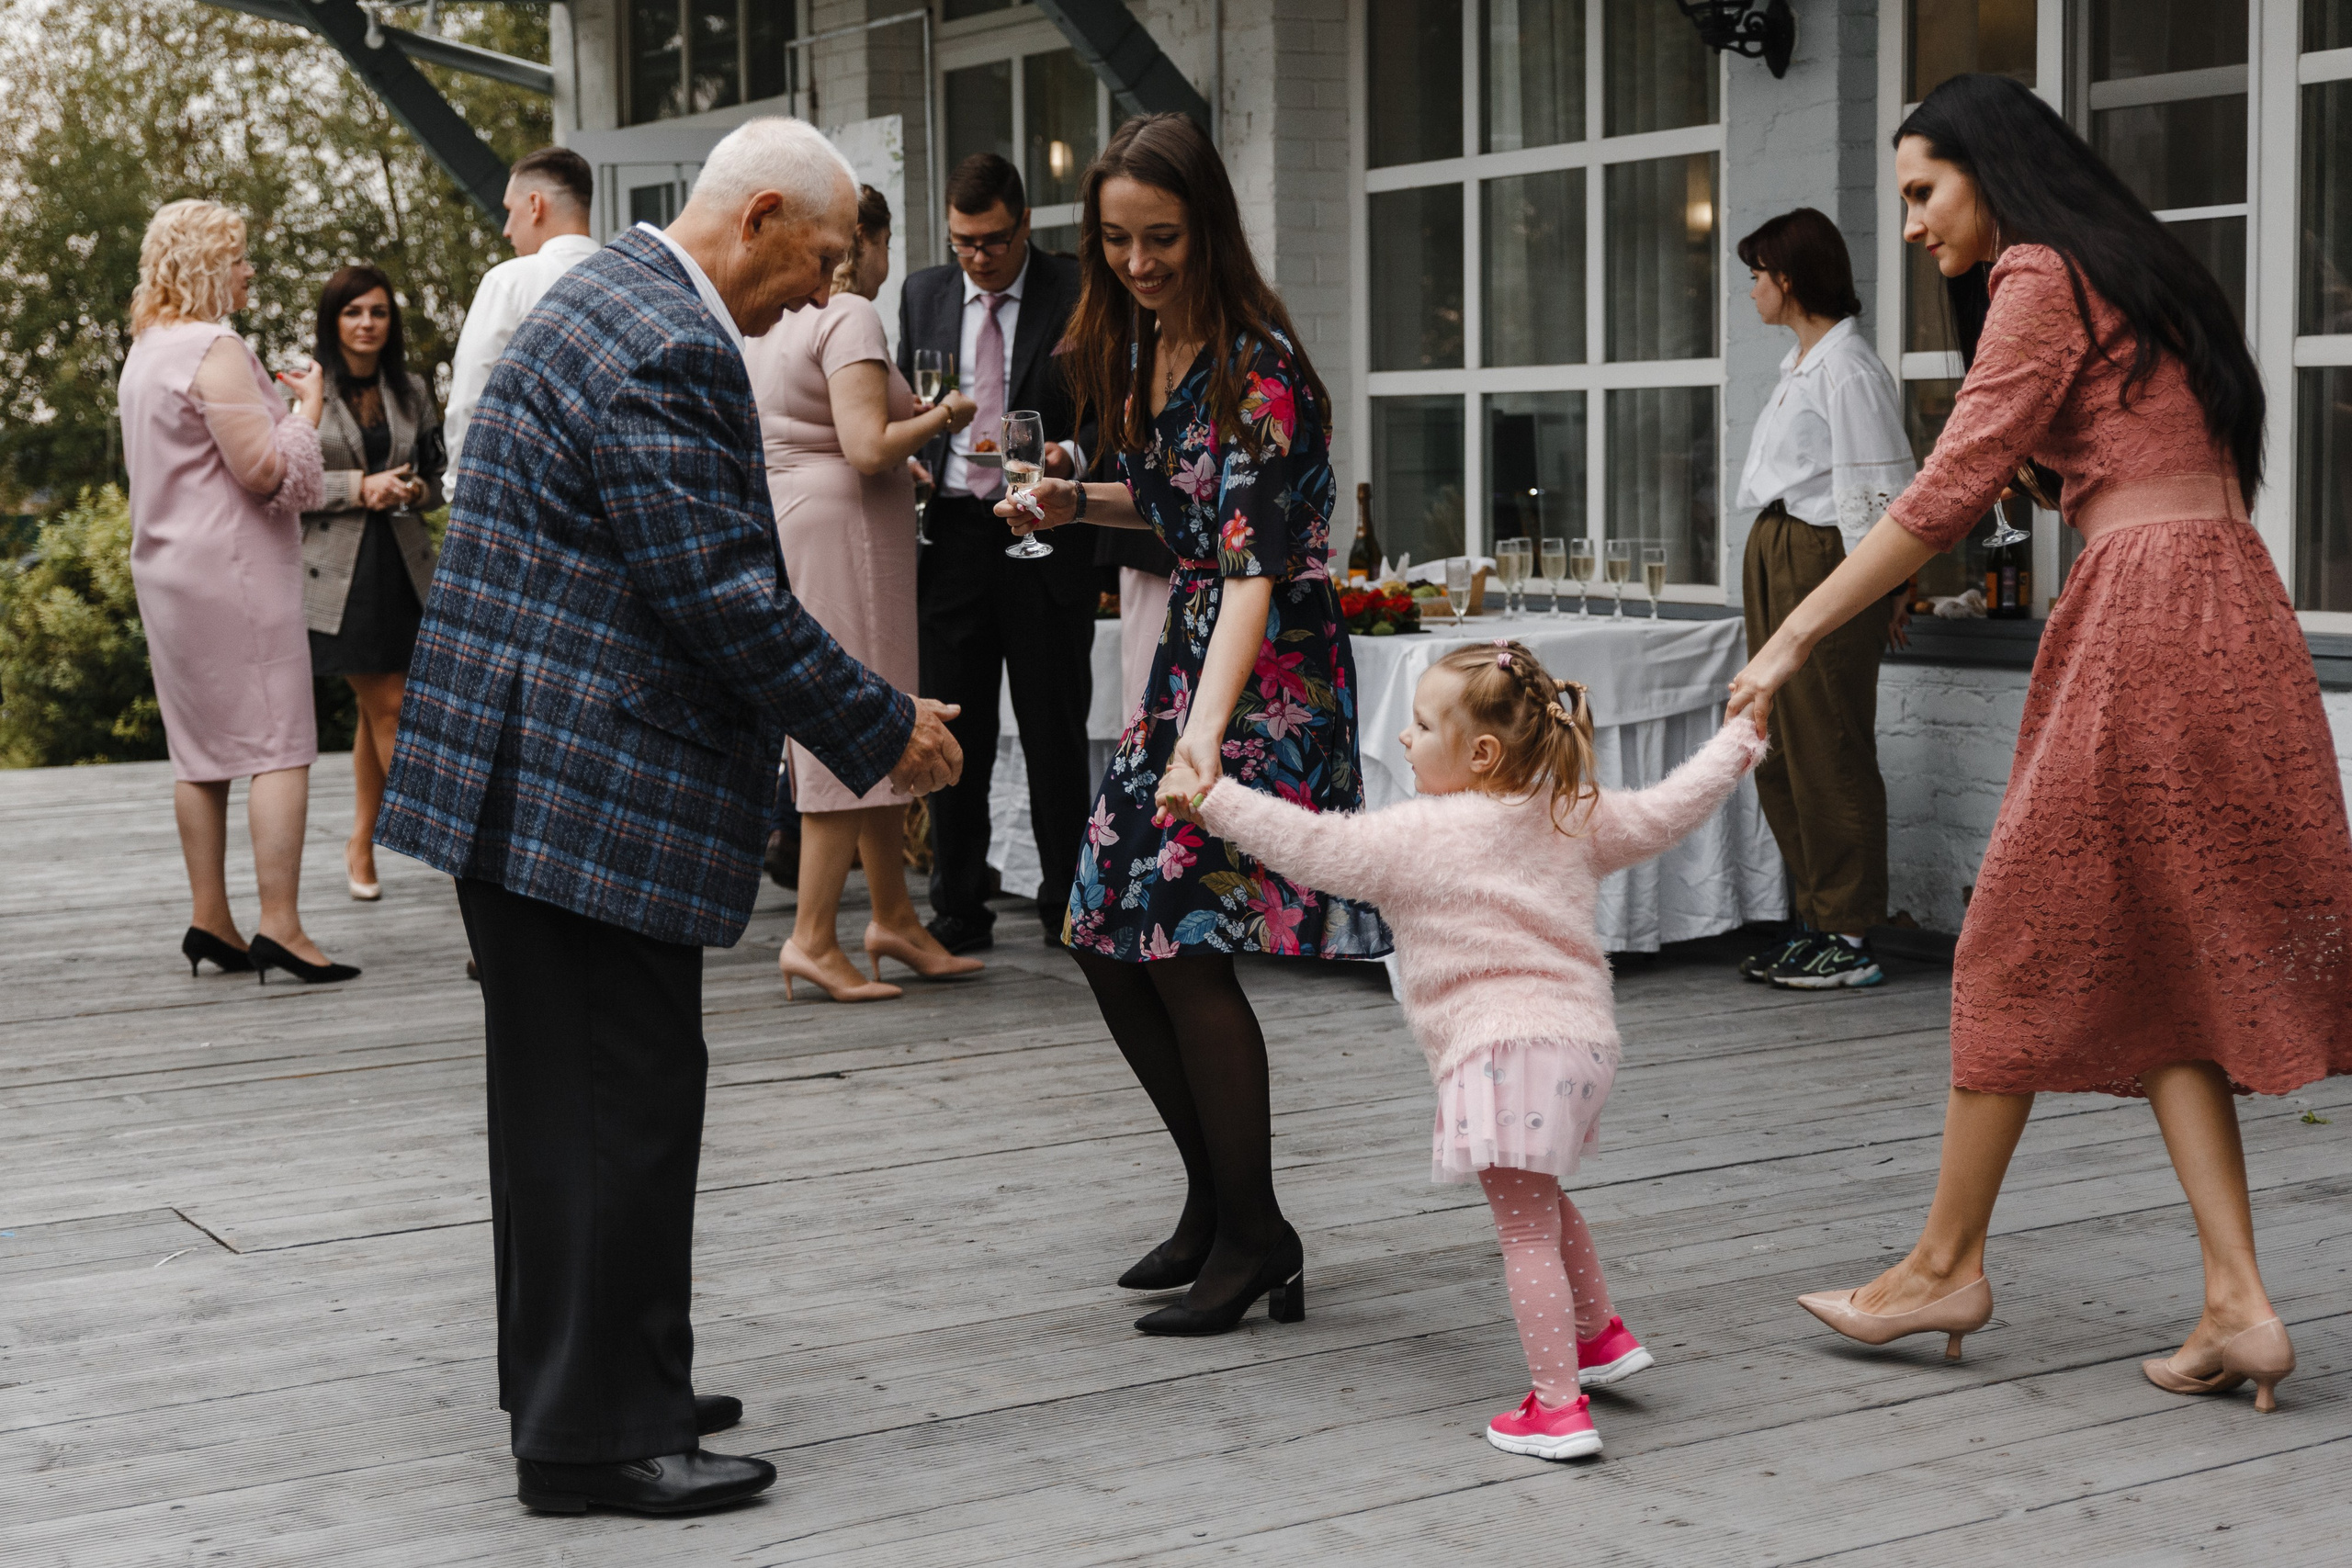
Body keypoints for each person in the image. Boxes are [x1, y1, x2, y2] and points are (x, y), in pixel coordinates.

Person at [1731, 74, 2352, 1413]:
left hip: (2142, 618)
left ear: (1990, 170)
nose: (1909, 226)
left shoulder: (2038, 273)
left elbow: (1940, 494)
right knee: (2161, 949)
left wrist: (1788, 640)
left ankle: (1944, 1263)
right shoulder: (2141, 272)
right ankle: (2237, 1300)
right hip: (2232, 603)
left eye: (1922, 190)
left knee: (2010, 933)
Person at [376, 118, 964, 1517]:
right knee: (617, 1106)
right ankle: (596, 1435)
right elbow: (721, 598)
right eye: (820, 259)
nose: (824, 294)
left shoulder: (609, 296)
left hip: (534, 783)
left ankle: (590, 1375)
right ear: (758, 216)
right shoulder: (667, 339)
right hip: (576, 793)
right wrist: (890, 725)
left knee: (569, 1110)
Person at [1180, 640, 1768, 1460]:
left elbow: (1309, 846)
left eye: (1421, 726)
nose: (1406, 740)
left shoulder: (1418, 835)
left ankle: (1557, 1407)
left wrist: (1212, 799)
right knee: (1543, 1199)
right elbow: (1671, 808)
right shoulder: (1570, 809)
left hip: (1501, 1050)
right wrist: (1738, 741)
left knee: (1523, 1230)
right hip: (1581, 1045)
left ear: (1480, 752)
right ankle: (1599, 1337)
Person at [1001, 112, 1390, 1336]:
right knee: (1102, 928)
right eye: (1116, 238)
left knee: (1176, 933)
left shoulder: (1254, 362)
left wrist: (1200, 736)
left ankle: (1256, 1226)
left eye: (1161, 236)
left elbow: (1257, 565)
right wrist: (1081, 502)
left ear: (1207, 225)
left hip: (1260, 676)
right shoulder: (1151, 344)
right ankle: (1220, 1201)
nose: (1138, 260)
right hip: (1192, 657)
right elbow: (1189, 510)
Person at [745, 183, 984, 1000]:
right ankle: (813, 936)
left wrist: (896, 445)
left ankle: (895, 918)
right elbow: (865, 444)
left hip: (809, 518)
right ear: (867, 241)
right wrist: (948, 415)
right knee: (845, 722)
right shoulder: (850, 314)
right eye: (884, 244)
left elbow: (815, 430)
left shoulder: (778, 314)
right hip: (846, 533)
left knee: (881, 720)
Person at [116, 198, 357, 987]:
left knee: (201, 753)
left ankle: (210, 918)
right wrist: (308, 410)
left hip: (167, 569)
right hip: (234, 572)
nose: (250, 269)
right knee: (280, 745)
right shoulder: (213, 348)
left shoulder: (145, 351)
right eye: (241, 257)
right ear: (209, 266)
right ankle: (280, 926)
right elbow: (262, 472)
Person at [897, 152, 1097, 953]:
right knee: (955, 727)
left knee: (1053, 723)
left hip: (1043, 527)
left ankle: (1064, 903)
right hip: (952, 532)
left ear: (1023, 227)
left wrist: (1073, 463)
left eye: (992, 241)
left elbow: (1108, 406)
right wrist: (913, 445)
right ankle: (957, 903)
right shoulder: (924, 293)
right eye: (963, 243)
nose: (977, 258)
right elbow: (913, 399)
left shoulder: (1077, 288)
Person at [1731, 208, 1917, 990]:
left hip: (1825, 558)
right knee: (1775, 739)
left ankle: (1848, 929)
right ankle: (1816, 917)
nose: (1751, 289)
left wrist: (1894, 586)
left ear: (1791, 279)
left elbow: (1885, 489)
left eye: (1758, 273)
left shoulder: (1849, 368)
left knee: (1829, 740)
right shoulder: (1804, 363)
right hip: (1779, 549)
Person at [301, 265, 445, 903]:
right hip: (339, 573)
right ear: (334, 320)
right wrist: (360, 487)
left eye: (379, 312)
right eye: (354, 312)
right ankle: (451, 852)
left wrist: (414, 489)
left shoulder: (413, 389)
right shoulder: (307, 389)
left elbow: (438, 479)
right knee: (393, 706)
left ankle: (361, 842)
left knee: (376, 709)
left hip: (405, 566)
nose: (367, 324)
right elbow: (286, 481)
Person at [443, 146, 600, 486]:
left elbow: (472, 396)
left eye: (509, 211)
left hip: (530, 491)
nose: (506, 230)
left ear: (535, 204)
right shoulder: (634, 279)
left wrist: (459, 483)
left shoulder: (509, 281)